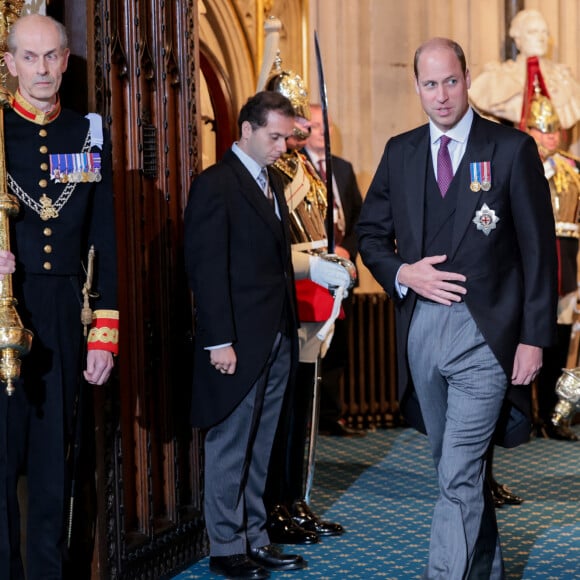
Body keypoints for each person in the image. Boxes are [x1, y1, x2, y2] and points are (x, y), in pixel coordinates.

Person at [357, 37, 558, 578]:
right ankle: (484, 569)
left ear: (466, 79)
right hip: (421, 332)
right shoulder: (400, 152)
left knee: (458, 476)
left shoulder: (511, 149)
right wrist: (404, 272)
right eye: (430, 84)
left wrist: (534, 338)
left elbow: (540, 254)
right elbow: (369, 235)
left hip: (488, 339)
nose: (442, 96)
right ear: (416, 87)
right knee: (455, 470)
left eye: (451, 81)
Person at [184, 90, 349, 579]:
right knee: (231, 445)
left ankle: (256, 537)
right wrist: (219, 342)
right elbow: (207, 268)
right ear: (248, 130)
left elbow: (276, 262)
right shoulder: (217, 184)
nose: (283, 146)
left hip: (277, 333)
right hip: (236, 341)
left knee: (262, 446)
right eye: (274, 136)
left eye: (287, 136)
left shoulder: (270, 182)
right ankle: (226, 545)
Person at [0, 13, 119, 580]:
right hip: (4, 309)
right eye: (30, 57)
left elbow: (105, 239)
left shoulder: (86, 133)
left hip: (66, 311)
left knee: (56, 461)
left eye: (52, 57)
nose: (42, 69)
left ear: (65, 61)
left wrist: (104, 332)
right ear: (10, 63)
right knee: (0, 461)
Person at [262, 60, 352, 545]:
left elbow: (320, 231)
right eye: (289, 114)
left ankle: (297, 498)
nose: (299, 124)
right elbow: (272, 245)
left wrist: (335, 267)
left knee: (306, 408)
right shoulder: (270, 169)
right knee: (282, 412)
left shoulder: (305, 168)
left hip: (317, 297)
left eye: (300, 115)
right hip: (287, 298)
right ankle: (274, 503)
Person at [303, 103, 365, 437]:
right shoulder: (296, 167)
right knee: (314, 345)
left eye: (326, 126)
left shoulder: (343, 168)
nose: (322, 132)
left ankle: (331, 416)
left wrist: (347, 251)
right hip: (312, 273)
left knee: (338, 348)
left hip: (343, 271)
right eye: (314, 126)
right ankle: (309, 419)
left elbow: (359, 219)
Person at [525, 81, 580, 441]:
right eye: (542, 130)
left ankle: (552, 413)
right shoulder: (520, 163)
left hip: (568, 267)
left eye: (553, 129)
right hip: (532, 268)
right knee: (531, 341)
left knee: (560, 344)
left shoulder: (573, 169)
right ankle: (524, 414)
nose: (550, 135)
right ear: (528, 130)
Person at [469, 9, 580, 130]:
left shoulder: (564, 77)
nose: (541, 38)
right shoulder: (497, 77)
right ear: (518, 39)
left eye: (545, 32)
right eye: (533, 32)